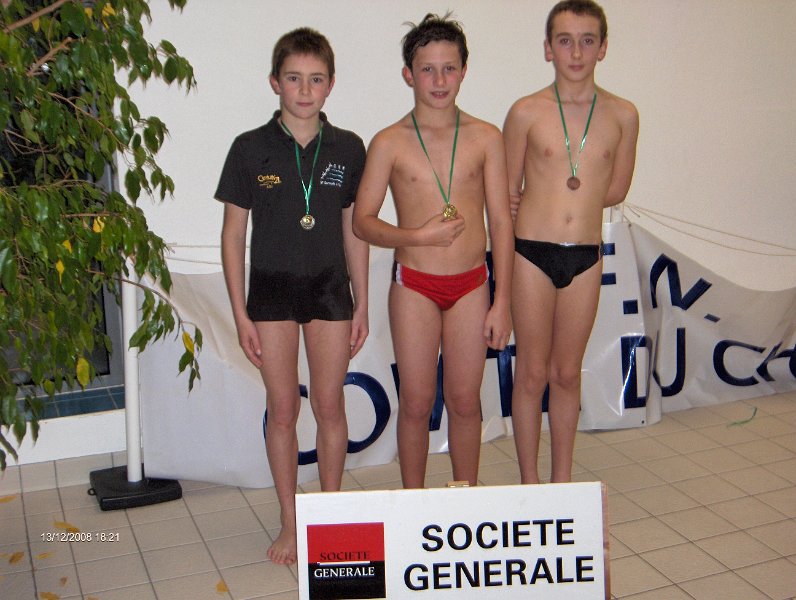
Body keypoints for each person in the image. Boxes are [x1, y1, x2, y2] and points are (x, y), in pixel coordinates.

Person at [215, 28, 368, 565]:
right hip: (271, 294)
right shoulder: (249, 148)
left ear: (331, 85)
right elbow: (233, 235)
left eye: (316, 79)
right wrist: (240, 313)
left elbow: (356, 231)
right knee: (282, 409)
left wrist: (362, 303)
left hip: (330, 293)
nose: (305, 90)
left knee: (329, 405)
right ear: (275, 83)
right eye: (294, 79)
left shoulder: (349, 147)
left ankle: (329, 515)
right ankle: (290, 518)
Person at [353, 13, 513, 489]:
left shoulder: (486, 137)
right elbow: (363, 222)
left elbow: (501, 221)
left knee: (465, 400)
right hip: (415, 286)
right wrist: (419, 237)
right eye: (428, 69)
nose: (439, 80)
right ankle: (414, 503)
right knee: (417, 402)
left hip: (472, 285)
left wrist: (503, 300)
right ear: (409, 75)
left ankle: (465, 497)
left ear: (464, 71)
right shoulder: (389, 142)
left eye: (449, 68)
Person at [503, 0, 639, 484]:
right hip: (531, 254)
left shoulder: (623, 114)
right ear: (548, 49)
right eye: (565, 41)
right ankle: (530, 482)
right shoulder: (526, 112)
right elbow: (506, 191)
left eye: (586, 41)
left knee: (566, 372)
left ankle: (561, 481)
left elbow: (616, 189)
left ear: (603, 48)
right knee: (531, 373)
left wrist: (571, 198)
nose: (576, 52)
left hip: (584, 256)